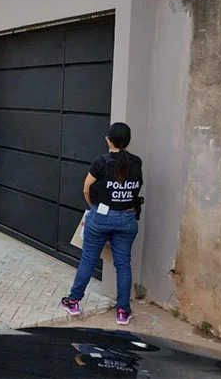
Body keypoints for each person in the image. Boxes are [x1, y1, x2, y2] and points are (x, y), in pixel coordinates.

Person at [60, 122, 144, 325]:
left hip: (102, 217)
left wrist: (93, 208)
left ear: (108, 140)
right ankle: (123, 311)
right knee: (123, 264)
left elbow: (86, 189)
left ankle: (73, 301)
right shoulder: (137, 163)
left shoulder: (101, 161)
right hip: (128, 218)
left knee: (88, 260)